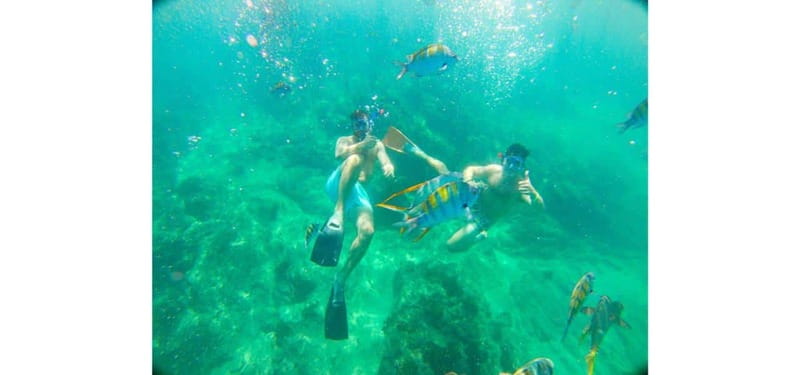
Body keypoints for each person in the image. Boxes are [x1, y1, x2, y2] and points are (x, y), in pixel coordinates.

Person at [309, 109, 394, 340]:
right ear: (352, 125)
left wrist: (388, 167)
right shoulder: (344, 140)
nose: (360, 127)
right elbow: (339, 155)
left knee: (368, 231)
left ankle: (341, 279)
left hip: (358, 193)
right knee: (354, 159)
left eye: (363, 122)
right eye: (356, 123)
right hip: (338, 184)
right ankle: (337, 213)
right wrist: (360, 146)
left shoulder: (377, 145)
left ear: (370, 124)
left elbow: (385, 159)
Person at [405, 142, 544, 252]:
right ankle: (421, 154)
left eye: (517, 164)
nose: (512, 167)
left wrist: (534, 192)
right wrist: (469, 181)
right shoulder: (494, 170)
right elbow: (471, 169)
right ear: (503, 161)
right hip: (472, 200)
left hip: (484, 220)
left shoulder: (521, 187)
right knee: (445, 175)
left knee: (451, 246)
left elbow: (538, 209)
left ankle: (479, 238)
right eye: (510, 161)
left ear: (522, 167)